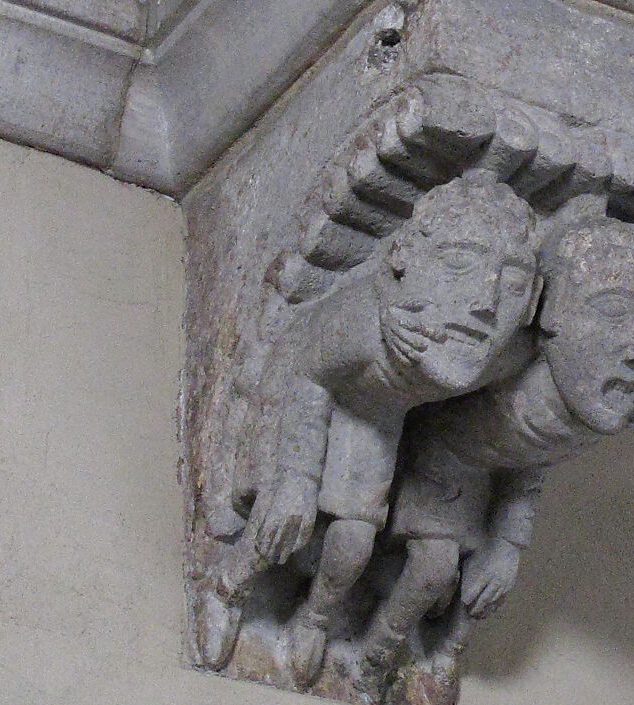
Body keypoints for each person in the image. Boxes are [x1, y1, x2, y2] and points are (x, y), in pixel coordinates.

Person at [193, 171, 542, 679]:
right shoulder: (365, 325)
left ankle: (314, 620)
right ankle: (231, 581)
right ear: (405, 257)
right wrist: (298, 478)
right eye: (459, 265)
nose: (485, 304)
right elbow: (309, 373)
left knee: (354, 542)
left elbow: (534, 438)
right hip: (305, 395)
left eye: (511, 285)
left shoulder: (503, 358)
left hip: (378, 419)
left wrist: (508, 538)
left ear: (532, 301)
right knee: (287, 516)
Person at [360, 207, 634, 705]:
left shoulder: (593, 412)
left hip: (484, 482)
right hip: (428, 459)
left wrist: (507, 547)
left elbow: (533, 469)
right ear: (547, 314)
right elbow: (406, 374)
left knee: (483, 587)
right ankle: (374, 651)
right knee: (433, 568)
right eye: (613, 310)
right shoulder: (504, 363)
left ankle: (441, 655)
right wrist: (388, 316)